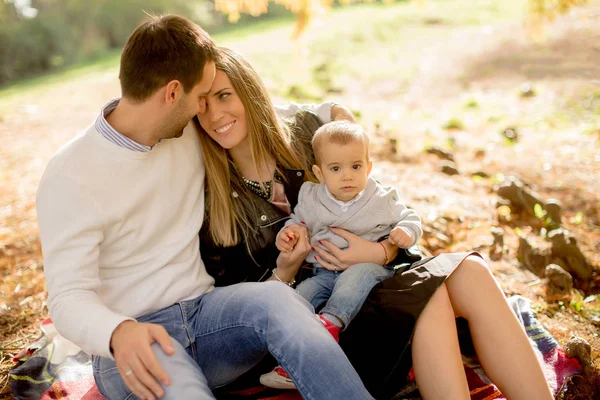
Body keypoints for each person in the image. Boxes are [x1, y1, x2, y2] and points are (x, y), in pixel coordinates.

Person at [36, 15, 375, 400]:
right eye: (201, 97)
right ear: (172, 93)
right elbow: (66, 298)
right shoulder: (70, 175)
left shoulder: (184, 131)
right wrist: (117, 332)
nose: (208, 111)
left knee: (277, 300)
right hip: (137, 345)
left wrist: (331, 111)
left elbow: (262, 111)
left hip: (209, 315)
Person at [197, 47, 554, 400]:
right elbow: (238, 314)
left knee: (470, 271)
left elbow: (376, 205)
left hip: (369, 279)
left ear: (250, 93)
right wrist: (286, 270)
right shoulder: (208, 196)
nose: (214, 115)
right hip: (316, 320)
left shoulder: (306, 136)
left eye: (224, 96)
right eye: (203, 103)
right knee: (427, 298)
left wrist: (382, 250)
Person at [259, 120, 423, 389]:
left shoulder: (380, 197)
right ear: (319, 172)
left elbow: (410, 217)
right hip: (324, 273)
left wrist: (406, 230)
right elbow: (297, 221)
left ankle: (330, 326)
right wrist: (288, 234)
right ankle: (291, 361)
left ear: (368, 167)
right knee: (301, 297)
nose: (347, 176)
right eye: (336, 168)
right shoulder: (311, 198)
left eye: (356, 167)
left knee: (353, 278)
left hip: (368, 271)